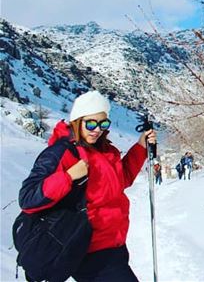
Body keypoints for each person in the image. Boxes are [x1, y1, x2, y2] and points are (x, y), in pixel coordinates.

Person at [17, 90, 156, 282]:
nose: (97, 129)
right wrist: (68, 176)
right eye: (91, 123)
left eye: (103, 123)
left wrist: (140, 147)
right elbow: (28, 198)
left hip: (114, 243)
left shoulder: (108, 150)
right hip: (88, 248)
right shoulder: (61, 153)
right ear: (77, 121)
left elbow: (120, 180)